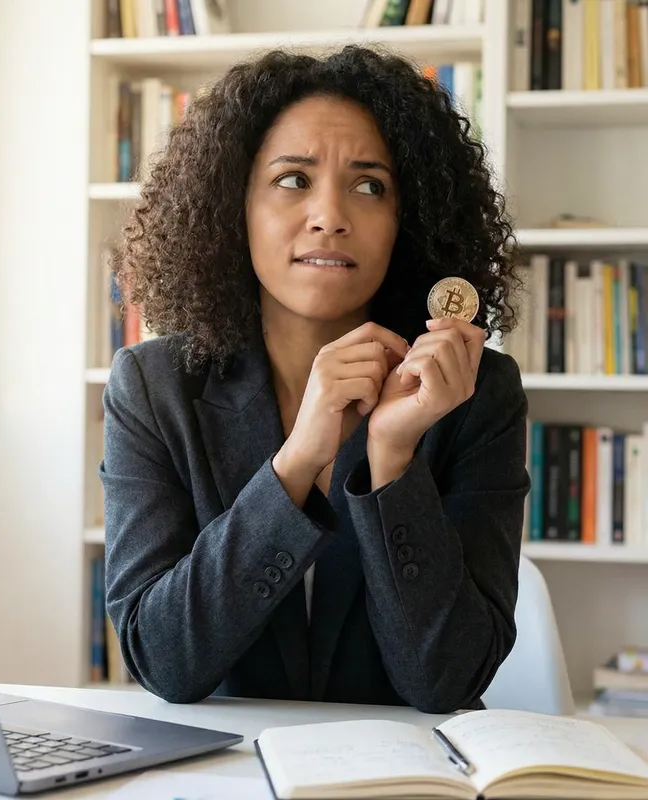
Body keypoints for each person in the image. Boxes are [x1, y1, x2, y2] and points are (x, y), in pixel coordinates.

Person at [99, 45, 530, 714]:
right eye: (294, 180)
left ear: (405, 222)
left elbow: (447, 679)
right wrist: (297, 461)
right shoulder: (153, 389)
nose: (330, 215)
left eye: (369, 185)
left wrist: (391, 460)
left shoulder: (476, 392)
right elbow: (162, 659)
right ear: (232, 205)